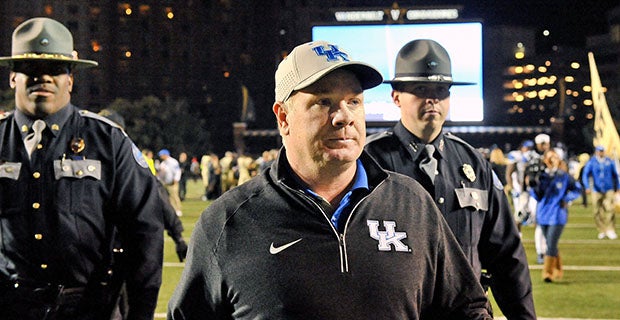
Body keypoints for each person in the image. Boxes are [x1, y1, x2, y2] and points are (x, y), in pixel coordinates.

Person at [168, 40, 492, 319]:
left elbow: (465, 306)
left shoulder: (411, 203)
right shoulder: (227, 223)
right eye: (323, 102)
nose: (343, 116)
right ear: (283, 118)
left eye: (354, 101)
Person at [0, 17, 163, 319]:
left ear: (71, 79)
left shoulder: (108, 140)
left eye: (55, 69)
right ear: (13, 77)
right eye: (31, 69)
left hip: (90, 309)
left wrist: (140, 314)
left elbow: (145, 234)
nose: (43, 78)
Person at [364, 39, 535, 319]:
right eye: (421, 89)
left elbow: (506, 256)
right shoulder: (368, 160)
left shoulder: (473, 163)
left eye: (441, 90)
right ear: (396, 97)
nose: (433, 99)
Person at [530, 149, 582, 282]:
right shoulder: (541, 176)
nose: (552, 160)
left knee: (551, 243)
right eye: (550, 157)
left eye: (555, 157)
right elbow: (536, 195)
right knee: (549, 242)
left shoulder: (563, 176)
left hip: (558, 214)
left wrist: (567, 198)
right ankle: (558, 268)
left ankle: (547, 273)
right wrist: (533, 184)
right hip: (543, 214)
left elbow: (577, 189)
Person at [581, 145, 620, 240]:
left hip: (608, 188)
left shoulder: (609, 162)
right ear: (596, 151)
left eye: (602, 151)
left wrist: (618, 187)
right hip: (596, 189)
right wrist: (587, 186)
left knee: (609, 208)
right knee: (596, 210)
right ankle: (602, 230)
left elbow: (615, 175)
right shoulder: (592, 162)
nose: (601, 153)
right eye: (599, 151)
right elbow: (585, 174)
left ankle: (610, 229)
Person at [506, 140, 537, 232]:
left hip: (531, 189)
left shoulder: (533, 156)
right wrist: (511, 187)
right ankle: (517, 235)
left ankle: (540, 237)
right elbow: (509, 173)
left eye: (530, 147)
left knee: (534, 212)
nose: (528, 149)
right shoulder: (515, 155)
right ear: (522, 146)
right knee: (519, 213)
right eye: (527, 147)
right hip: (519, 189)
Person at [158, 149, 183, 216]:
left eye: (161, 155)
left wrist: (176, 179)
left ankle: (178, 209)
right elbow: (161, 174)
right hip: (166, 182)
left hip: (173, 182)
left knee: (175, 196)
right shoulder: (163, 163)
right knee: (170, 197)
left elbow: (177, 171)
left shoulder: (173, 162)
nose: (160, 157)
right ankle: (173, 209)